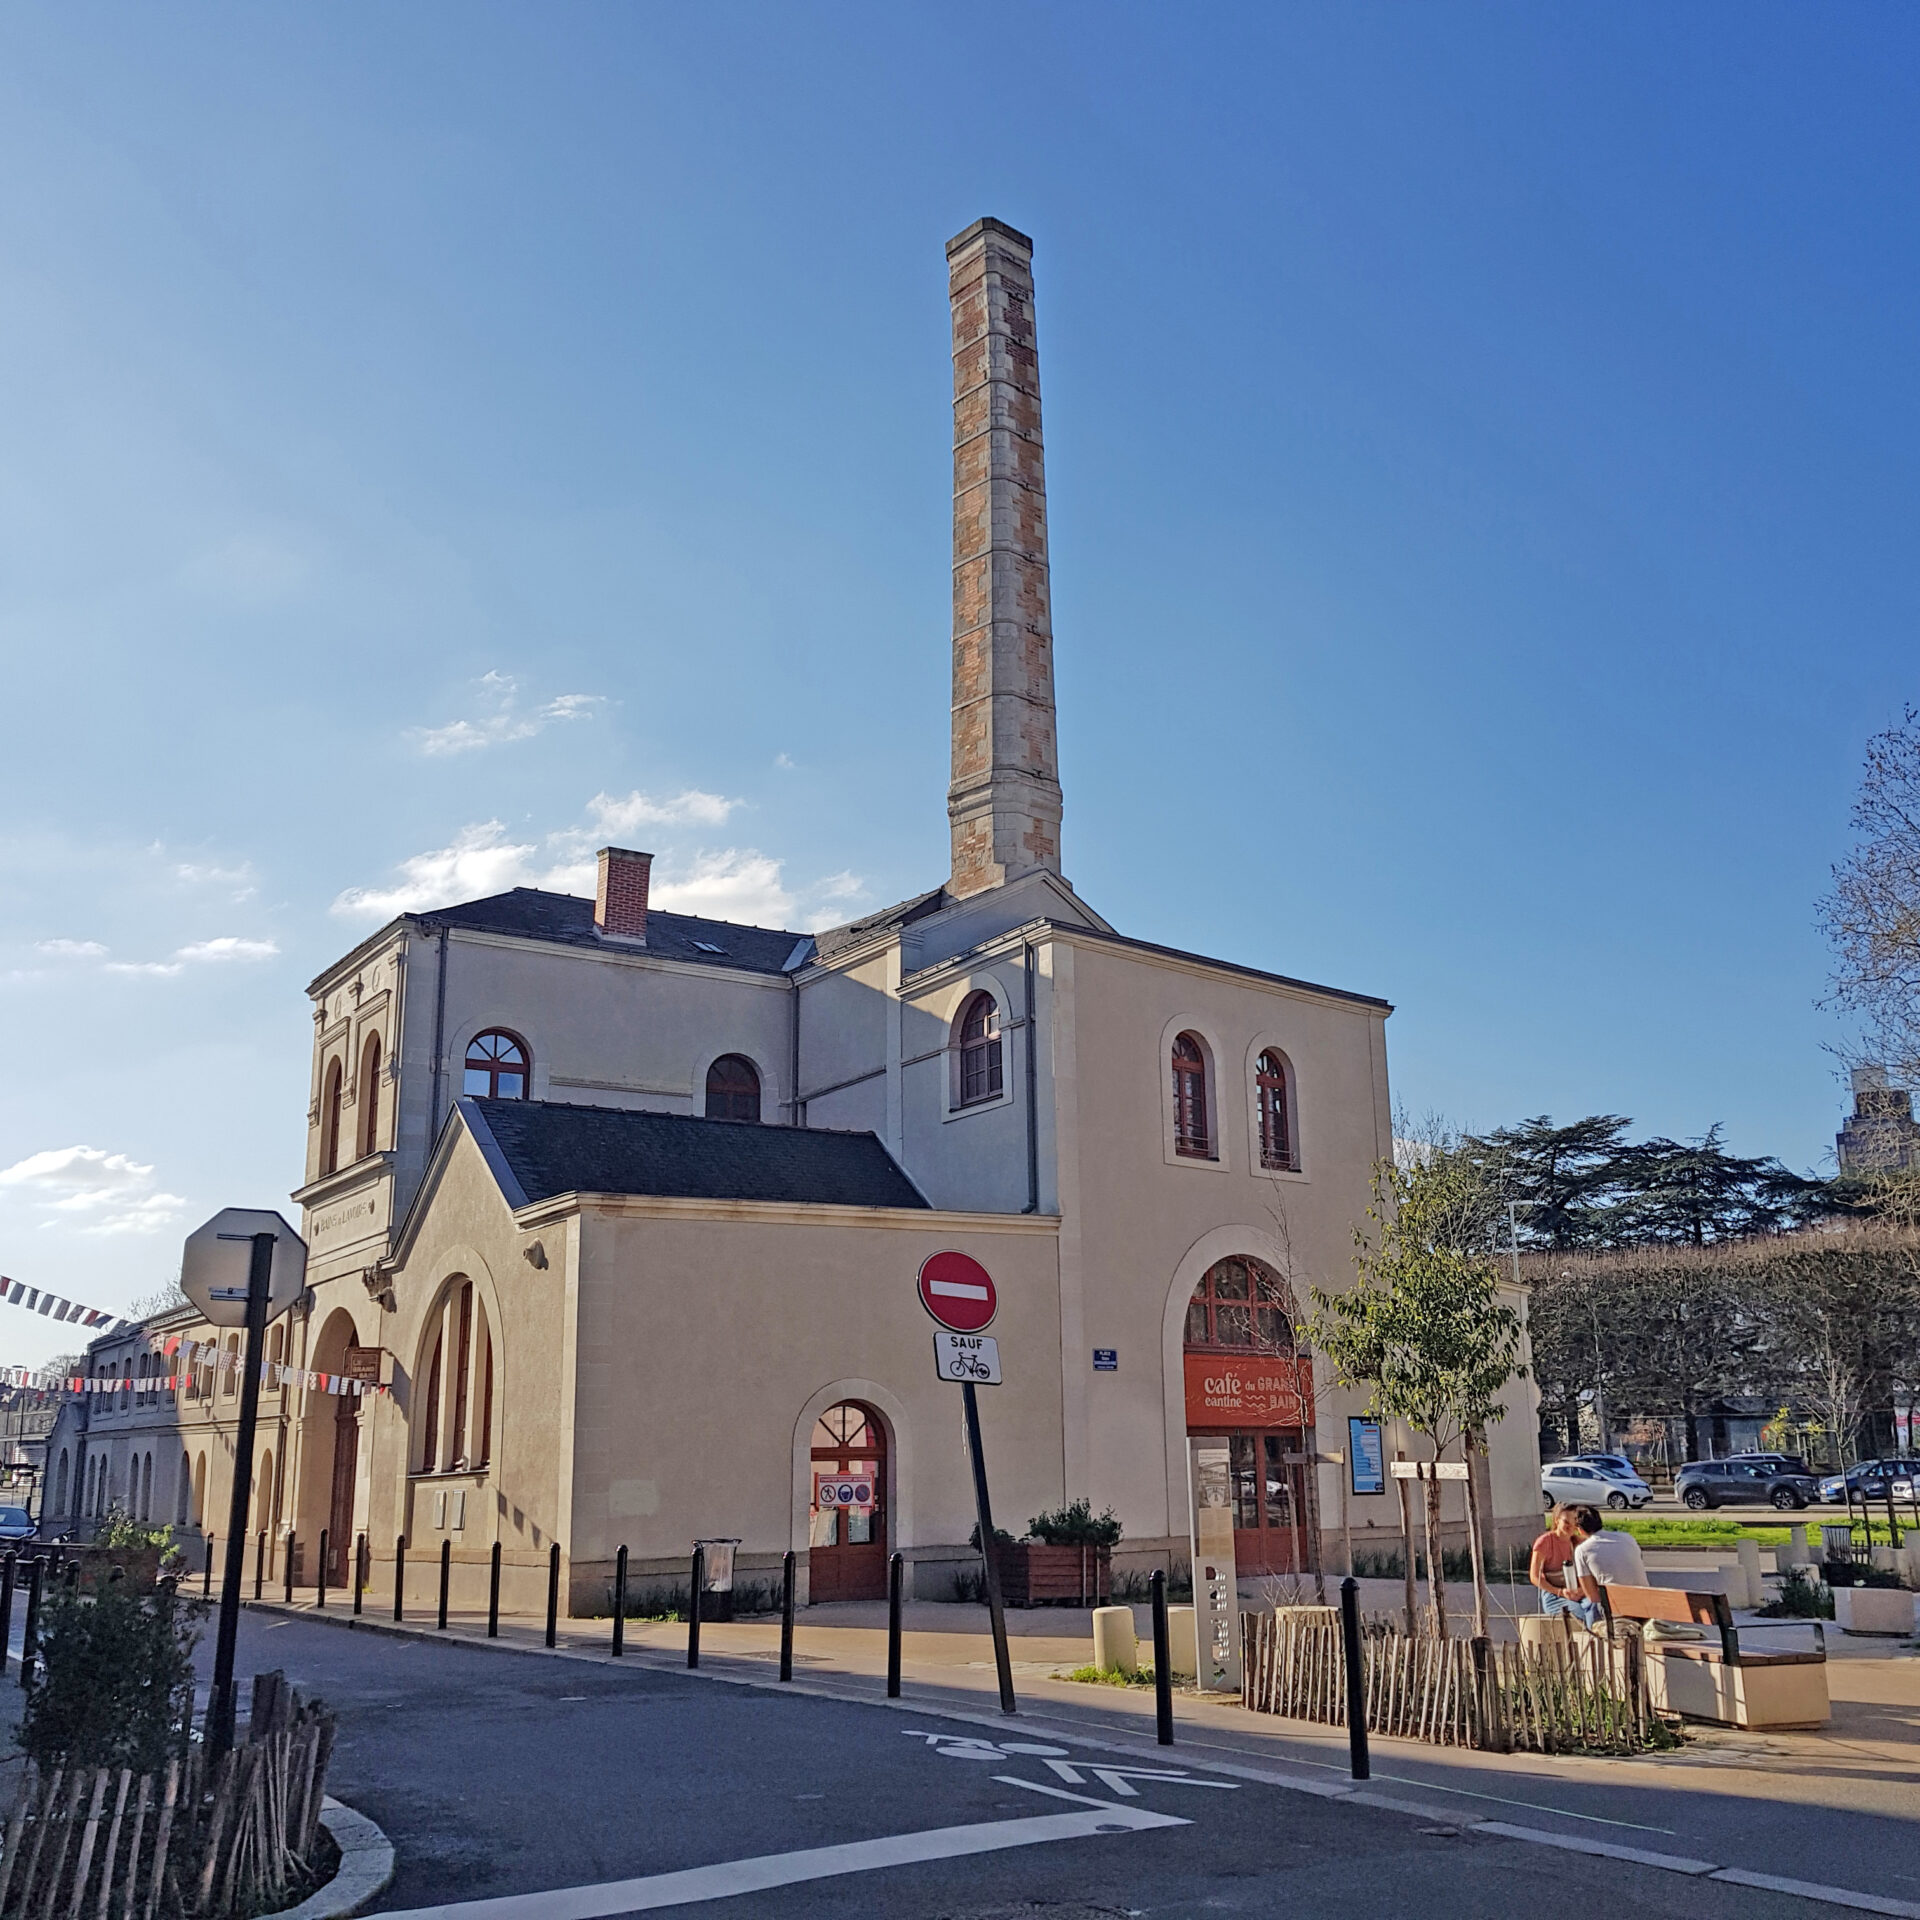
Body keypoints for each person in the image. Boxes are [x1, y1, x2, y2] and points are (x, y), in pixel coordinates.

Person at [1568, 1503, 1648, 1626]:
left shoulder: (1583, 1550)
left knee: (1585, 1606)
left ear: (1580, 1529)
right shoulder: (1628, 1538)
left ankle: (1594, 1639)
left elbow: (1591, 1595)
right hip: (1644, 1606)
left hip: (1616, 1610)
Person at [1528, 1506, 1583, 1619]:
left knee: (1596, 1608)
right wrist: (1560, 1592)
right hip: (1554, 1594)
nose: (1570, 1526)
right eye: (1566, 1522)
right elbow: (1534, 1577)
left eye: (1574, 1521)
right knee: (1578, 1613)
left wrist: (1582, 1591)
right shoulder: (1544, 1542)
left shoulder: (1580, 1543)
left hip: (1578, 1592)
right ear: (1556, 1520)